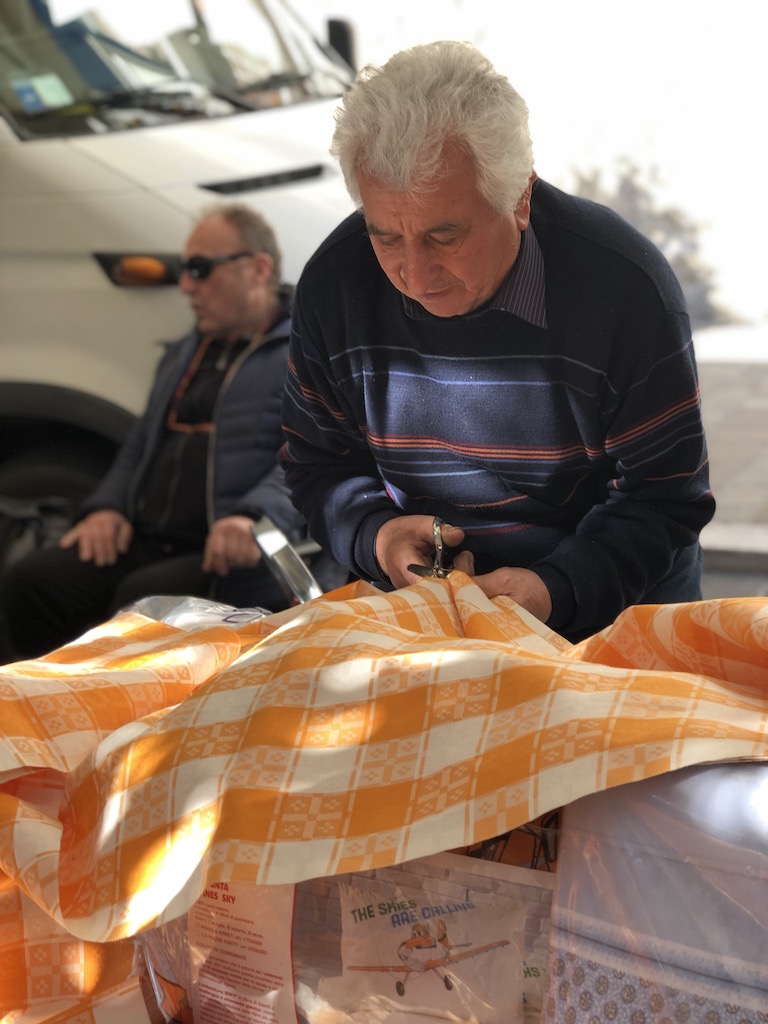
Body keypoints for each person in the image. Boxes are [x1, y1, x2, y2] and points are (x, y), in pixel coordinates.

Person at [281, 40, 716, 643]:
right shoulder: (336, 284)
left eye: (444, 235)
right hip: (420, 612)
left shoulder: (622, 288)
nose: (414, 273)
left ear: (520, 200)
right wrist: (377, 535)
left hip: (610, 612)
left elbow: (666, 498)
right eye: (385, 237)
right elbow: (317, 462)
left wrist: (552, 589)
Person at [0, 202, 326, 661]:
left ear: (258, 269)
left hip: (229, 555)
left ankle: (127, 722)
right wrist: (106, 508)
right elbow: (138, 446)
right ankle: (50, 715)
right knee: (34, 583)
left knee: (143, 605)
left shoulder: (303, 352)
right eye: (183, 270)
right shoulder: (184, 352)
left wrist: (252, 516)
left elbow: (315, 455)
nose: (186, 286)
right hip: (148, 539)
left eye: (199, 269)